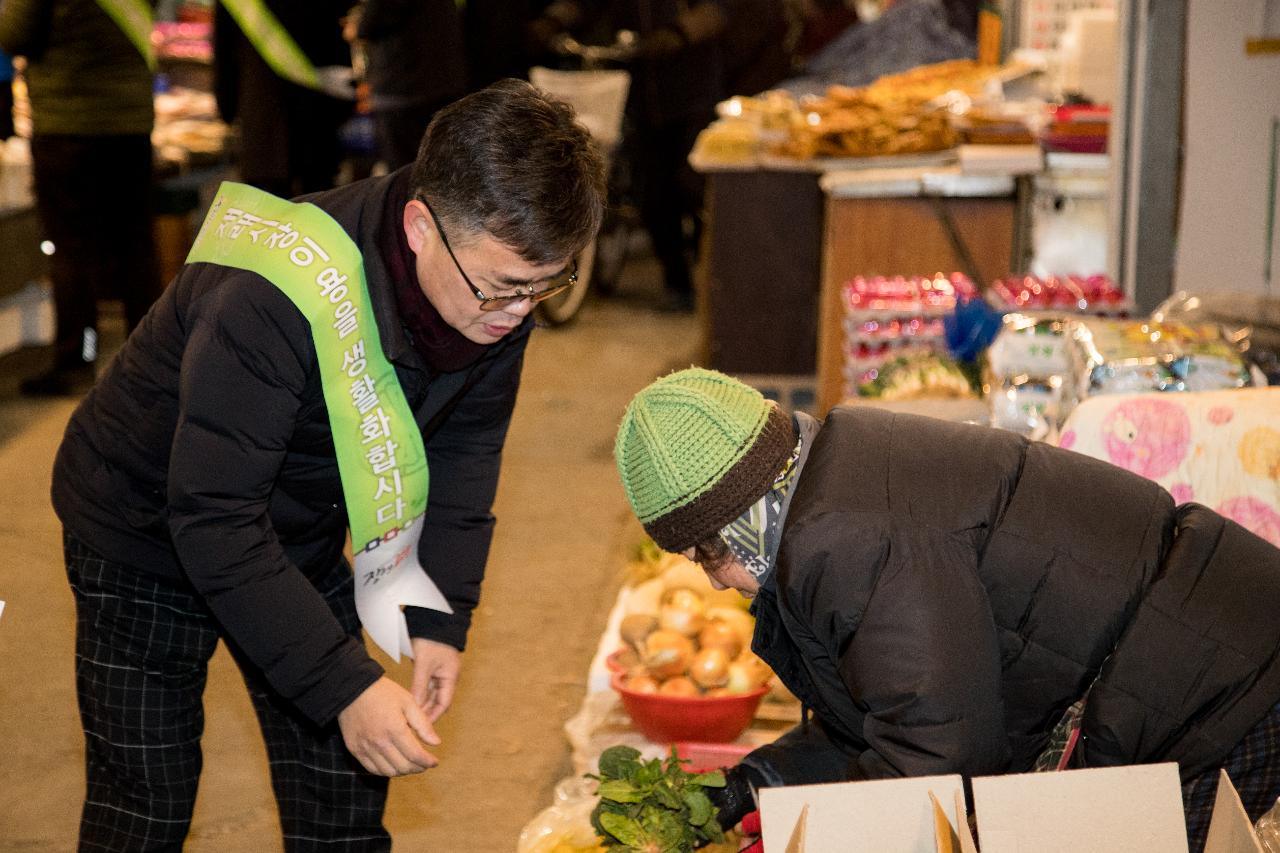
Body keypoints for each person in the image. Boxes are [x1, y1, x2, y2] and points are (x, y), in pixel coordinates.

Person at [50, 79, 606, 849]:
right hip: (142, 528)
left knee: (344, 789)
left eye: (545, 286)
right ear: (420, 226)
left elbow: (465, 453)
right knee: (147, 796)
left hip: (290, 528)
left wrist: (440, 617)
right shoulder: (272, 296)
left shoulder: (491, 293)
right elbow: (212, 516)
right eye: (505, 288)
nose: (518, 315)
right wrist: (343, 684)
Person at [613, 368, 1280, 852]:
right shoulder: (835, 479)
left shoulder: (848, 539)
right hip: (1205, 653)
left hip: (1222, 686)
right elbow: (895, 714)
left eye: (709, 557)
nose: (720, 584)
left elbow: (938, 758)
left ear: (741, 524)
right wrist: (753, 783)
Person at [0, 0, 161, 396]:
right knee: (136, 249)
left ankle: (79, 360)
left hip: (70, 126)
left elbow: (15, 34)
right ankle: (154, 361)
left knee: (74, 252)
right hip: (131, 124)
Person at [530, 0, 729, 313]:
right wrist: (555, 19)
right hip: (641, 96)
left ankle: (717, 276)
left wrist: (678, 33)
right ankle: (677, 283)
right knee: (654, 192)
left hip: (693, 93)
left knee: (691, 185)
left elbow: (717, 10)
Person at [214, 0, 354, 198]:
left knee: (265, 214)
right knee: (318, 211)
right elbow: (339, 45)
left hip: (261, 121)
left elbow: (224, 58)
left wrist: (227, 110)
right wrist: (343, 110)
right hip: (315, 117)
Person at [350, 0, 467, 171]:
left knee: (404, 174)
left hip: (401, 89)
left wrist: (356, 25)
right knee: (442, 168)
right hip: (443, 83)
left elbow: (367, 25)